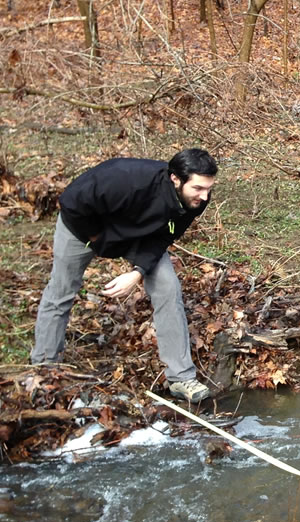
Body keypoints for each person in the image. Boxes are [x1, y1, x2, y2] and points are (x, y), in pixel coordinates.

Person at [31, 149, 218, 403]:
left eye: (208, 188)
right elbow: (71, 201)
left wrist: (137, 272)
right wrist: (98, 239)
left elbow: (164, 237)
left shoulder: (196, 200)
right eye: (198, 188)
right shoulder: (125, 179)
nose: (205, 196)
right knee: (61, 292)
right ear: (176, 178)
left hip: (138, 237)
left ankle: (181, 378)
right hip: (83, 229)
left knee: (168, 288)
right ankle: (44, 370)